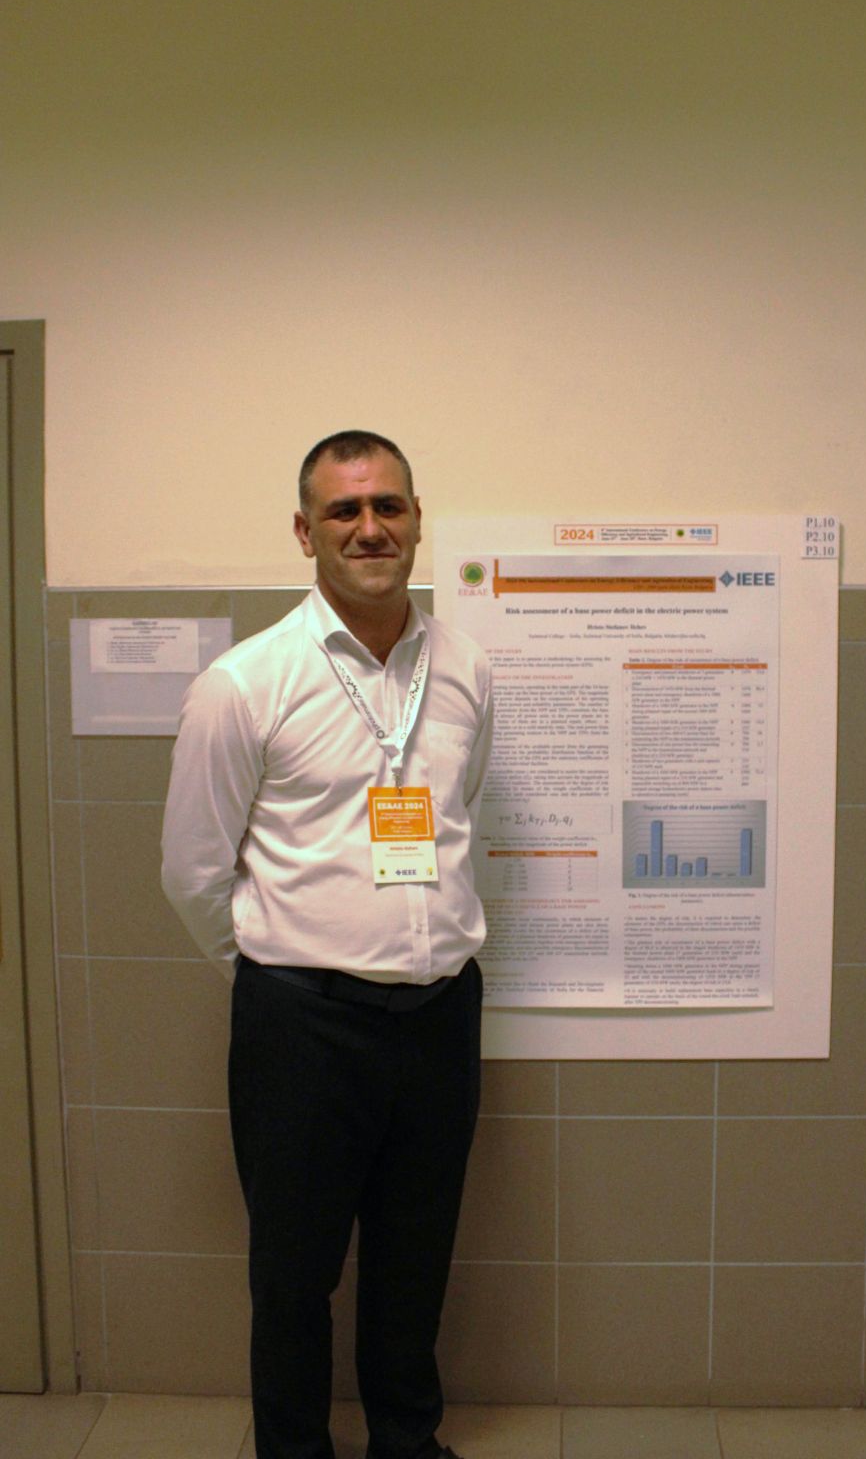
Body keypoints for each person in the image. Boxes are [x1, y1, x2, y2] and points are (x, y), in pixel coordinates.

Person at [161, 430, 492, 1459]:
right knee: (294, 1275)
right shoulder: (246, 683)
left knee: (414, 1261)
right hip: (302, 1027)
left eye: (388, 506)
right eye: (344, 510)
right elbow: (193, 871)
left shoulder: (466, 669)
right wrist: (283, 972)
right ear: (306, 533)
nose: (369, 528)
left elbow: (458, 815)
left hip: (440, 1015)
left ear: (417, 520)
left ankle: (406, 1442)